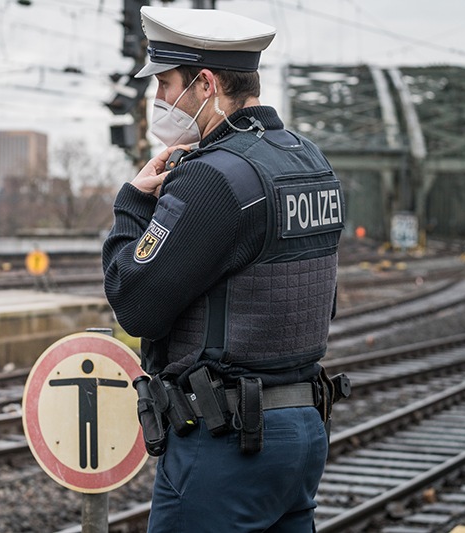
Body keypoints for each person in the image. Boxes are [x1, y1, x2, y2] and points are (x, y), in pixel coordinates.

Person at [102, 6, 348, 532]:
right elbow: (319, 297)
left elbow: (134, 302)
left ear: (206, 83)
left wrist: (130, 204)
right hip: (301, 430)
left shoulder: (211, 180)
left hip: (226, 442)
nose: (159, 100)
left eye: (166, 85)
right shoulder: (309, 161)